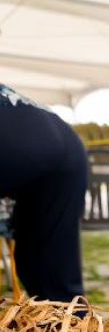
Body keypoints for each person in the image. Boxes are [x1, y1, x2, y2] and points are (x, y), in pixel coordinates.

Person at [0, 84, 87, 302]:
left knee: (44, 266)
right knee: (54, 282)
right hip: (63, 138)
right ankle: (67, 330)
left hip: (20, 136)